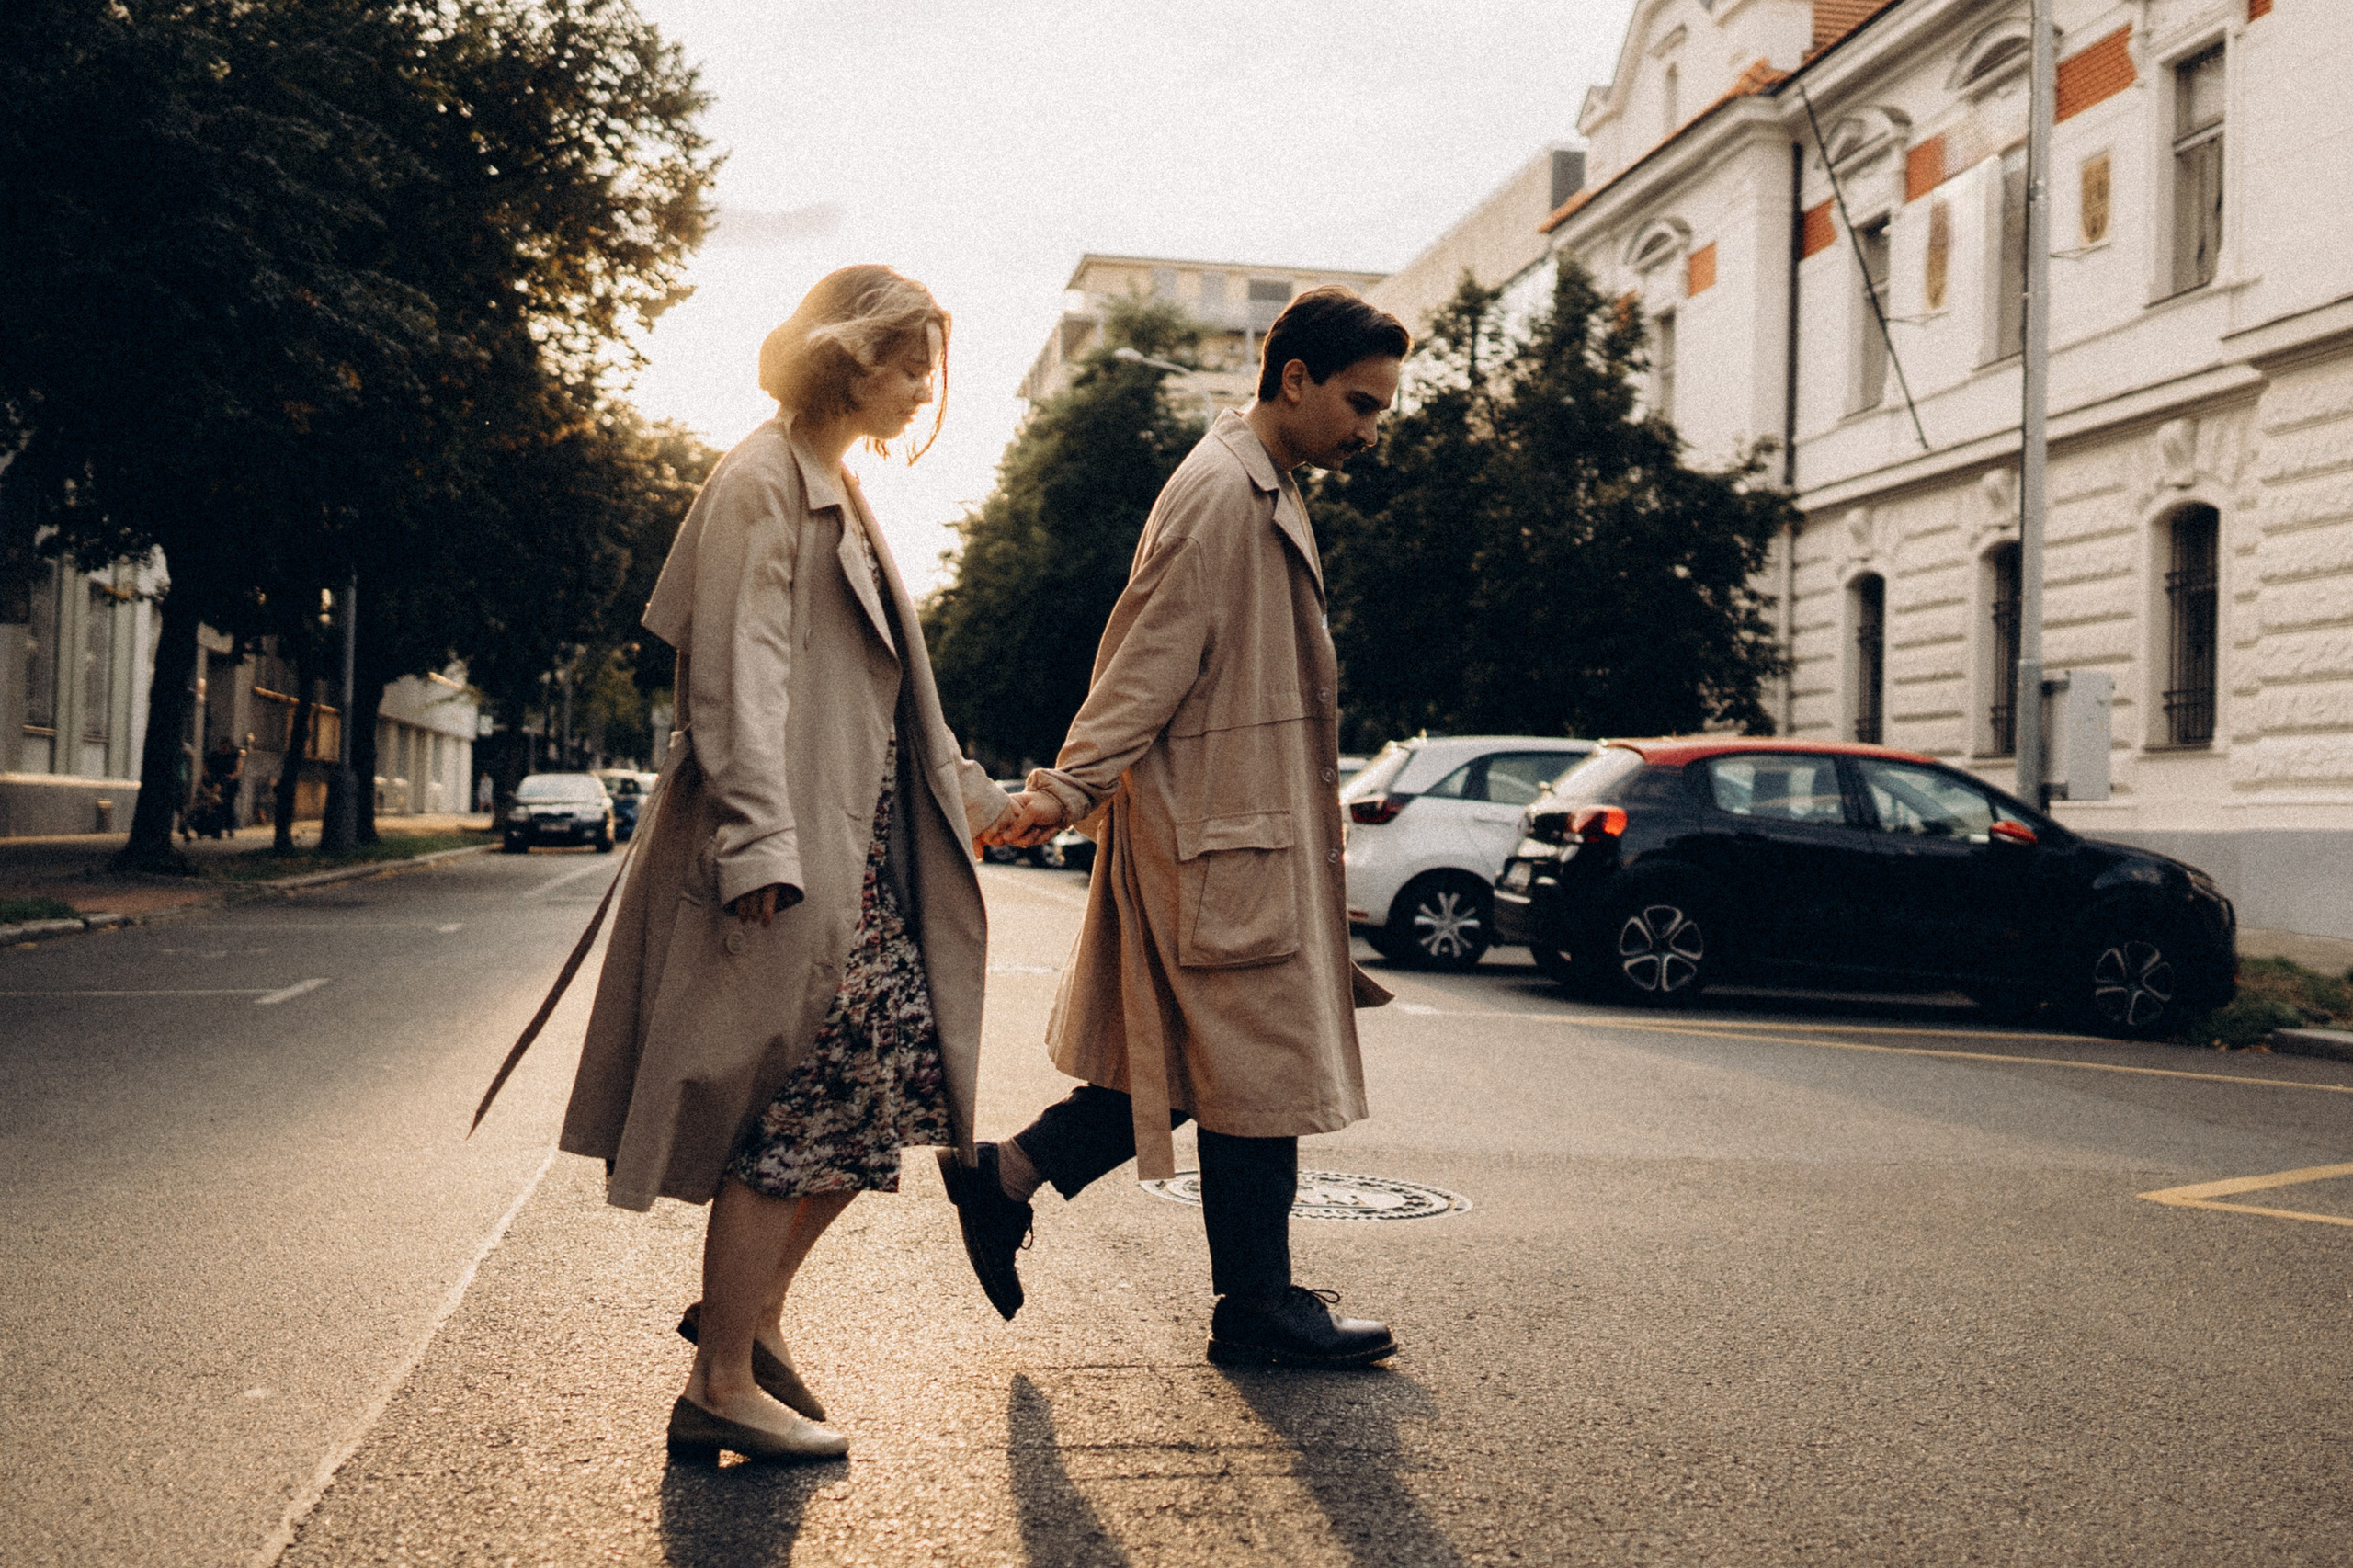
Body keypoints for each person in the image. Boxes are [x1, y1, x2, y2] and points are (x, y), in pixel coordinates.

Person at [560, 266, 1016, 1462]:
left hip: (851, 855)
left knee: (873, 1103)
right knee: (801, 1107)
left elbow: (887, 703)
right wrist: (758, 837)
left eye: (932, 366)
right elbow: (737, 679)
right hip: (796, 854)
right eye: (909, 361)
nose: (924, 389)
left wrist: (987, 797)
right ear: (847, 353)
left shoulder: (836, 486)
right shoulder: (765, 479)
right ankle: (721, 1374)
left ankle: (742, 1319)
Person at [943, 287, 1409, 1368]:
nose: (1371, 429)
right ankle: (1256, 1304)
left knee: (1210, 1064)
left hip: (1237, 832)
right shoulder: (1221, 493)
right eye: (1360, 402)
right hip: (1221, 840)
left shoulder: (1263, 482)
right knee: (1258, 1067)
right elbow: (1144, 663)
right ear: (1291, 377)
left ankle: (1005, 1175)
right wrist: (1062, 790)